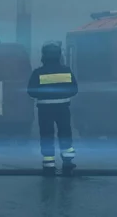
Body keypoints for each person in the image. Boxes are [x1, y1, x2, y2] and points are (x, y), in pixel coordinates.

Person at [27, 41, 79, 176]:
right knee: (65, 134)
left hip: (45, 110)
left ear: (43, 56)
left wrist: (44, 95)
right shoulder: (66, 71)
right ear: (59, 56)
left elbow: (31, 91)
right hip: (63, 108)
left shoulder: (38, 73)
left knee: (47, 136)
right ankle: (68, 163)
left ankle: (49, 165)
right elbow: (74, 89)